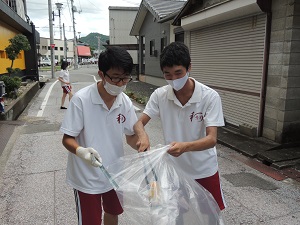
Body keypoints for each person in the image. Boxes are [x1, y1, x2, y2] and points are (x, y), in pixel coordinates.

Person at [134, 42, 226, 212]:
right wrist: (143, 136)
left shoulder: (209, 97)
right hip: (174, 171)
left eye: (178, 73)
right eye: (167, 75)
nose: (174, 79)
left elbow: (212, 139)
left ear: (189, 67)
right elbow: (139, 122)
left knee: (210, 214)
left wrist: (185, 146)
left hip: (204, 169)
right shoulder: (160, 95)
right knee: (178, 214)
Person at [60, 46, 139, 225]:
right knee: (91, 221)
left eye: (125, 78)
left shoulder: (124, 101)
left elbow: (131, 136)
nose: (121, 84)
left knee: (113, 213)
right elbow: (67, 139)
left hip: (114, 174)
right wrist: (82, 152)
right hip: (86, 177)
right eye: (116, 78)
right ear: (102, 74)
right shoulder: (81, 100)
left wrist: (142, 146)